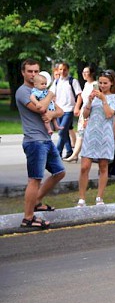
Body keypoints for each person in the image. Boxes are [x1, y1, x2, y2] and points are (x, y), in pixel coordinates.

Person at [16, 59, 65, 229]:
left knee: (59, 172)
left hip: (46, 139)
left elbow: (60, 111)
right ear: (23, 72)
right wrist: (51, 95)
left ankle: (36, 202)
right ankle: (28, 218)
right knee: (35, 179)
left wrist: (52, 115)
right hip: (34, 141)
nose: (33, 74)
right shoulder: (23, 92)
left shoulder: (41, 90)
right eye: (30, 71)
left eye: (36, 71)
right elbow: (41, 109)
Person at [76, 71, 115, 207]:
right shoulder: (94, 96)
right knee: (84, 167)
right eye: (100, 83)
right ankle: (82, 199)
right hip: (91, 133)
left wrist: (103, 100)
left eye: (105, 83)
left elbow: (109, 115)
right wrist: (89, 101)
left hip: (105, 134)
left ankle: (99, 197)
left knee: (103, 166)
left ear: (111, 83)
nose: (102, 85)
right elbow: (85, 114)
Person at [65, 63, 97, 162]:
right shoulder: (86, 84)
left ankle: (78, 154)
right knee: (81, 133)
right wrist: (78, 108)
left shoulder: (95, 84)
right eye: (83, 72)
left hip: (91, 111)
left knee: (84, 134)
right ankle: (76, 154)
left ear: (91, 73)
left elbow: (96, 97)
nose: (84, 74)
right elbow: (82, 97)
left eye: (86, 72)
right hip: (84, 111)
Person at [53, 61, 82, 159]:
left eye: (65, 69)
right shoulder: (56, 82)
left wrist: (77, 107)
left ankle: (57, 152)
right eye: (61, 69)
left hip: (69, 109)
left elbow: (79, 95)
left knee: (61, 131)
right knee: (64, 131)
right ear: (58, 70)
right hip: (59, 110)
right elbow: (51, 94)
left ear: (68, 70)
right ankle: (69, 151)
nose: (63, 71)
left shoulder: (72, 81)